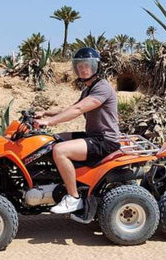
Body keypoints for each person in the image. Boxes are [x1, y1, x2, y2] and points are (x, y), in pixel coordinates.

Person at [34, 47, 121, 214]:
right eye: (79, 66)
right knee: (53, 140)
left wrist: (49, 121)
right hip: (94, 136)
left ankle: (73, 198)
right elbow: (71, 108)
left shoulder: (102, 87)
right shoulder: (88, 89)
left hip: (105, 141)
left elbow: (78, 110)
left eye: (86, 65)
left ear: (96, 67)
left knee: (60, 151)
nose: (82, 69)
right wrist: (45, 112)